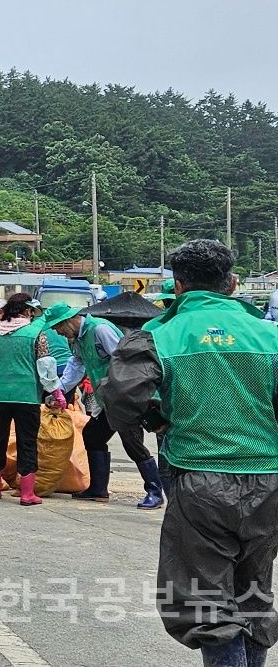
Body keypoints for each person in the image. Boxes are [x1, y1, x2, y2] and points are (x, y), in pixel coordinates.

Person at [105, 239, 278, 667]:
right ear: (233, 283)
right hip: (270, 479)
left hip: (199, 479)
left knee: (205, 600)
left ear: (178, 285)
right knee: (253, 590)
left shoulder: (159, 334)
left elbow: (121, 398)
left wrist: (155, 422)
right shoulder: (271, 334)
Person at [46, 304, 161, 508]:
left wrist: (124, 390)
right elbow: (76, 365)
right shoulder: (78, 340)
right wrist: (59, 390)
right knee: (92, 435)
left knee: (132, 443)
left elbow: (124, 358)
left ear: (69, 320)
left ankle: (154, 491)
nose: (58, 332)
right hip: (106, 398)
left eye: (58, 327)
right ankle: (98, 488)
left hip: (122, 397)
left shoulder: (100, 330)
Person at [0, 293, 64, 506]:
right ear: (27, 310)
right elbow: (45, 367)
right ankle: (27, 494)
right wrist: (56, 393)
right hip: (27, 396)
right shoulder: (36, 333)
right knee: (27, 442)